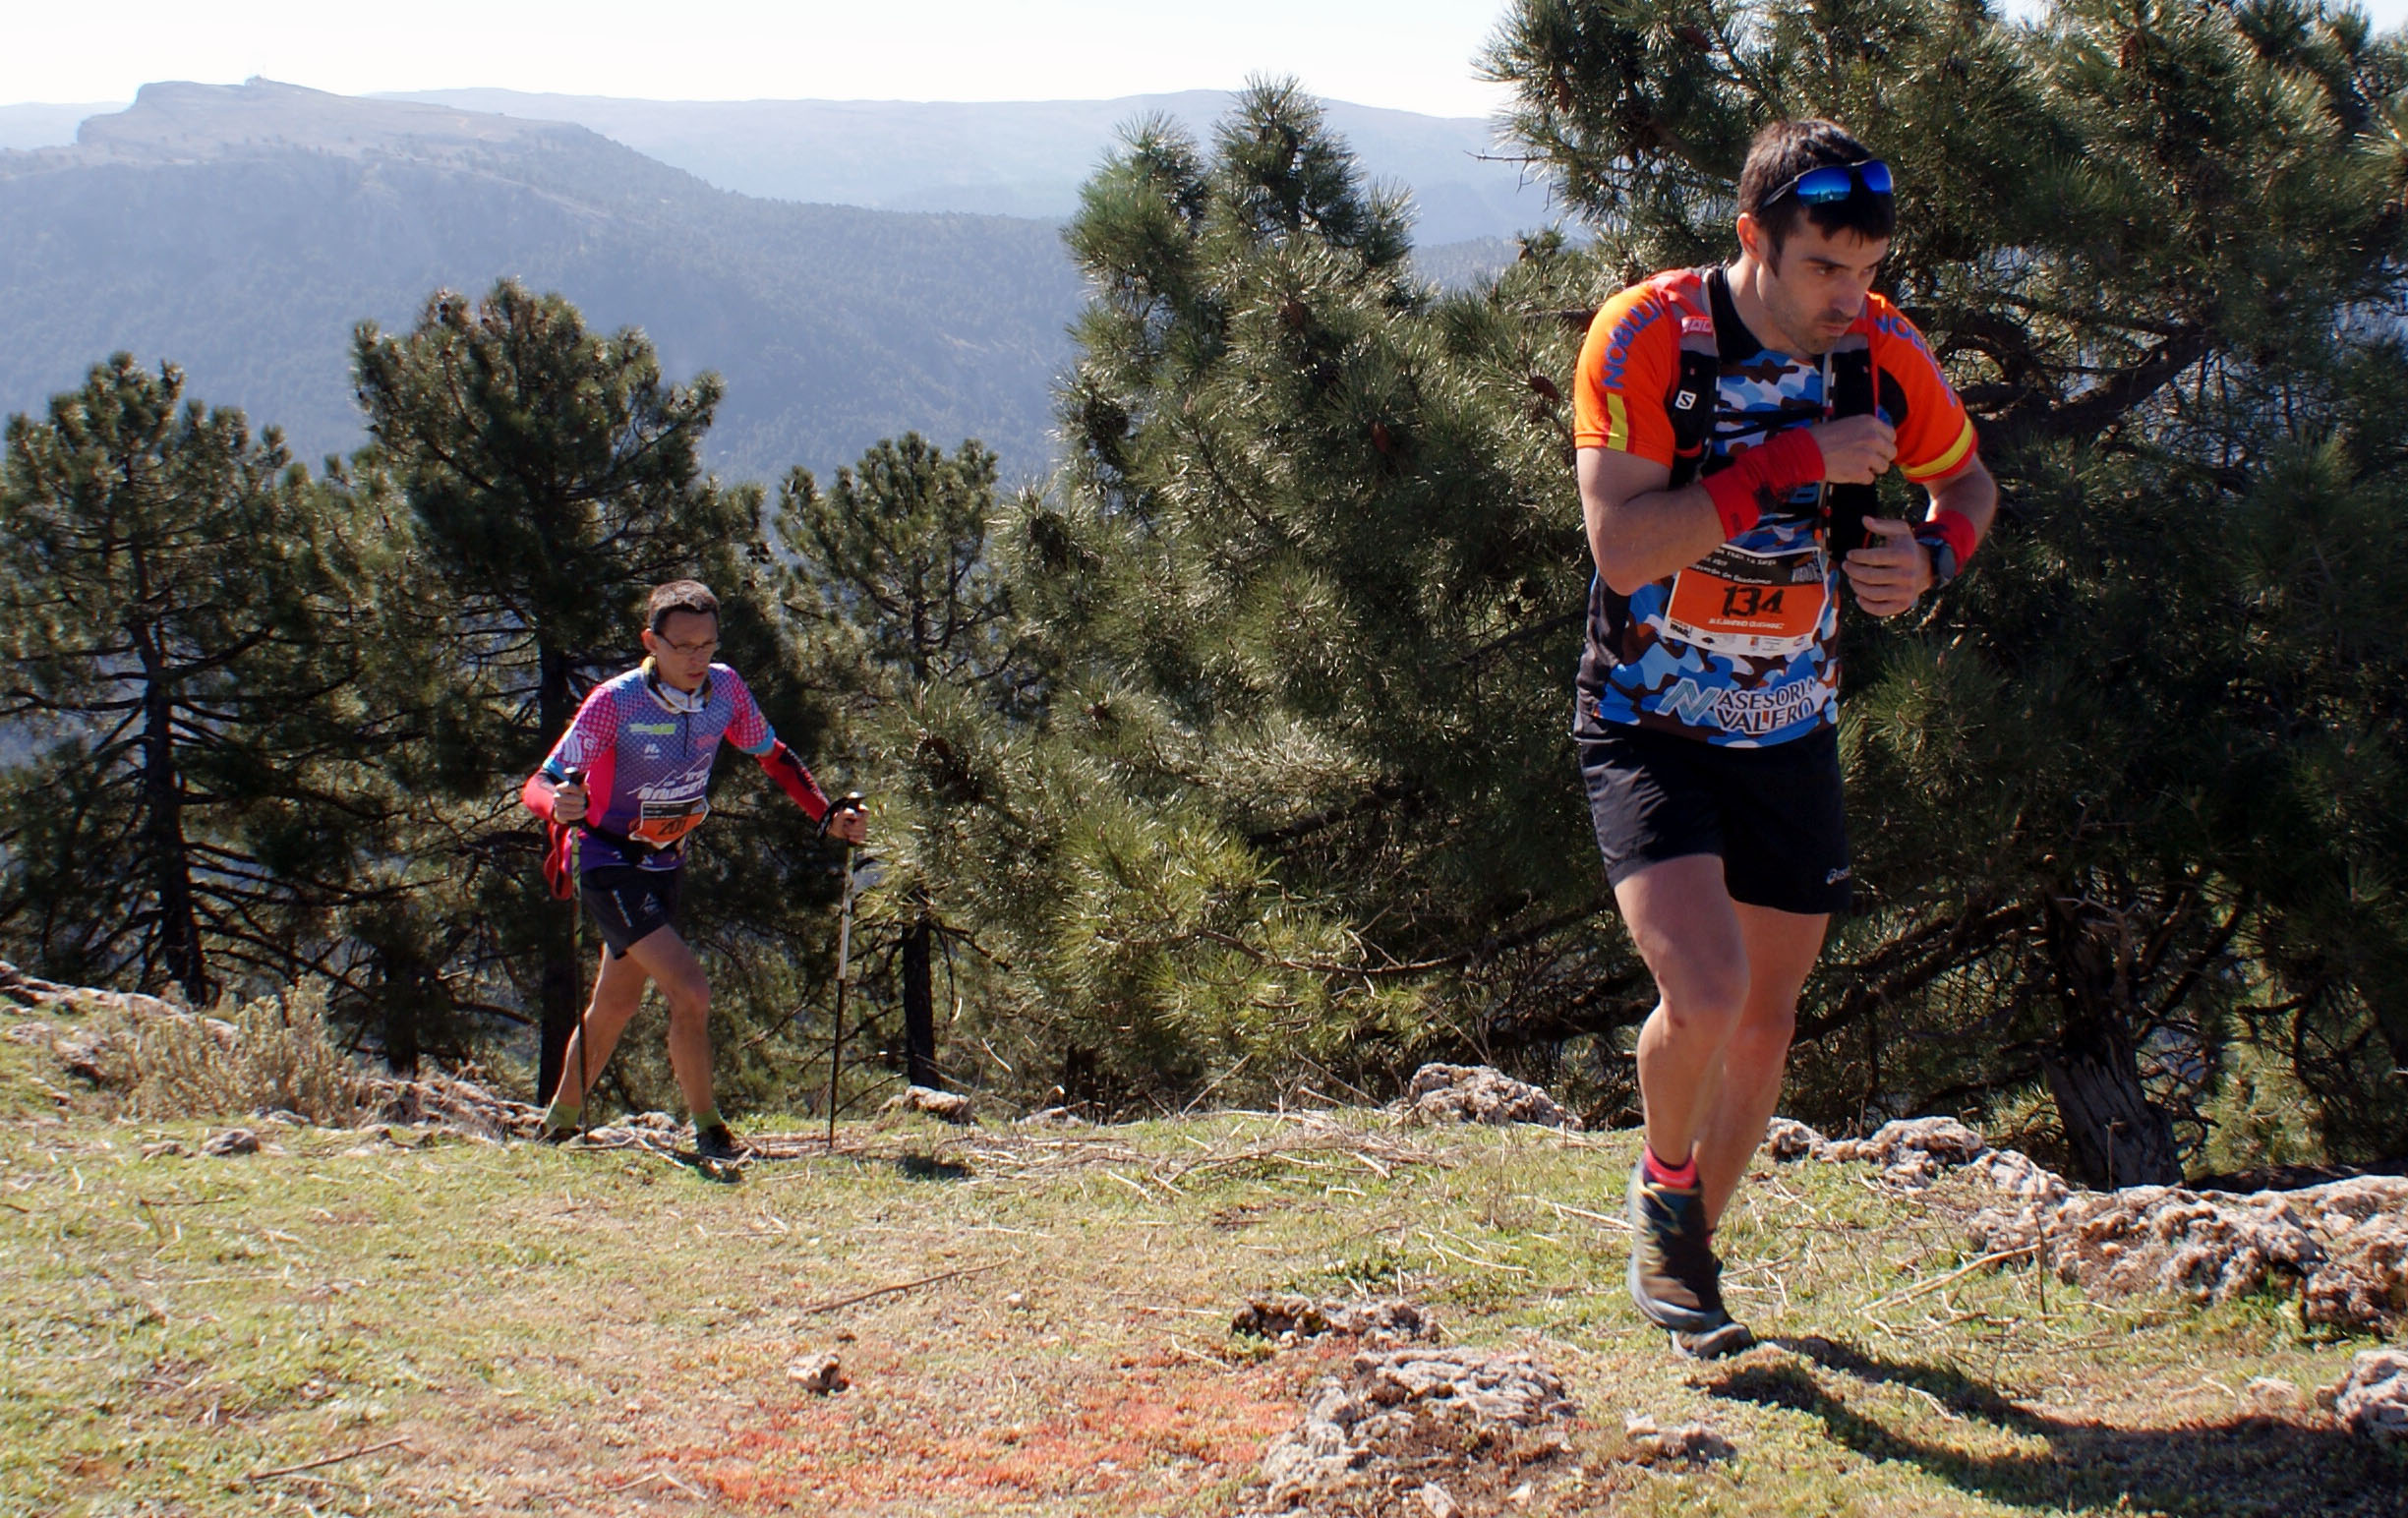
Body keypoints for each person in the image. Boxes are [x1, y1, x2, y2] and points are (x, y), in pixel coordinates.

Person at [1568, 120, 1997, 1357]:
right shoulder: (1651, 336)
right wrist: (1793, 461)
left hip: (1789, 725)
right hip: (1648, 716)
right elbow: (1623, 547)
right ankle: (1660, 1178)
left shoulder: (1883, 352)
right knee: (1701, 990)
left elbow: (1970, 487)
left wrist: (1928, 555)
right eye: (1822, 268)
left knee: (1766, 1015)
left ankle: (1688, 1245)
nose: (1847, 300)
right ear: (1752, 238)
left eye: (1866, 272)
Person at [520, 580, 868, 1160]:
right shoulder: (617, 701)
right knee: (691, 989)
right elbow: (543, 779)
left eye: (706, 644)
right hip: (610, 864)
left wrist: (827, 815)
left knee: (615, 1006)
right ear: (651, 642)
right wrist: (556, 804)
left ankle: (556, 1126)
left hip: (665, 863)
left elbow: (773, 756)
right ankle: (710, 1131)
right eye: (681, 646)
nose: (695, 659)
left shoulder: (724, 690)